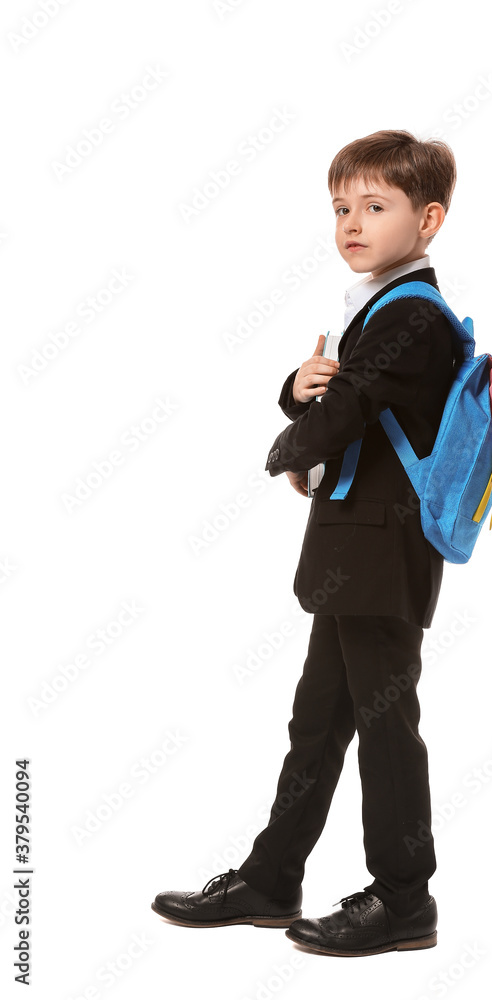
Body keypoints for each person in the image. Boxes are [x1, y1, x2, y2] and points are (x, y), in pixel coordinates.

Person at [152, 129, 463, 957]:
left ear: (427, 219)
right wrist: (295, 392)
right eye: (340, 207)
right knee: (318, 722)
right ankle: (271, 878)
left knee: (385, 727)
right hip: (351, 558)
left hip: (380, 556)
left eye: (374, 205)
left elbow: (348, 411)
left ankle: (403, 901)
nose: (351, 222)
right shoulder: (381, 307)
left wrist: (290, 442)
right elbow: (342, 401)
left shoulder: (412, 314)